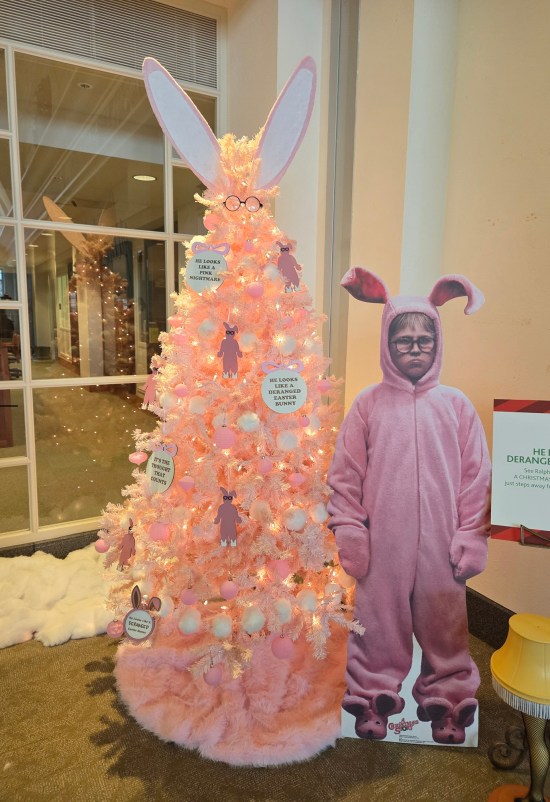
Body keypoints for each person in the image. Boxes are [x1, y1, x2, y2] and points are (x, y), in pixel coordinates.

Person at [327, 267, 491, 744]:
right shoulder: (369, 405)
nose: (414, 348)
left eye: (424, 339)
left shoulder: (456, 406)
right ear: (387, 343)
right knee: (377, 624)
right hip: (383, 545)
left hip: (443, 547)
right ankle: (373, 698)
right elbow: (345, 475)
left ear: (438, 343)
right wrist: (351, 530)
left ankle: (449, 703)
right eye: (404, 341)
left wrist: (471, 534)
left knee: (446, 624)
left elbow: (475, 479)